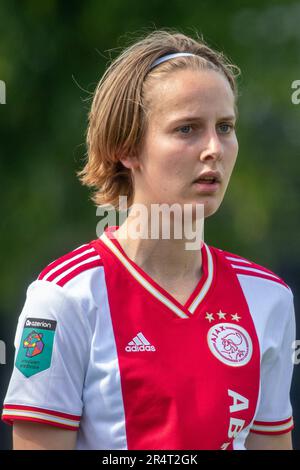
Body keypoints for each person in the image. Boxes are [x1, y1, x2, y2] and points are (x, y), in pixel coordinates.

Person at [1, 30, 296, 450]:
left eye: (225, 127)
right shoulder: (64, 296)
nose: (214, 148)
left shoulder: (268, 297)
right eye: (187, 129)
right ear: (128, 148)